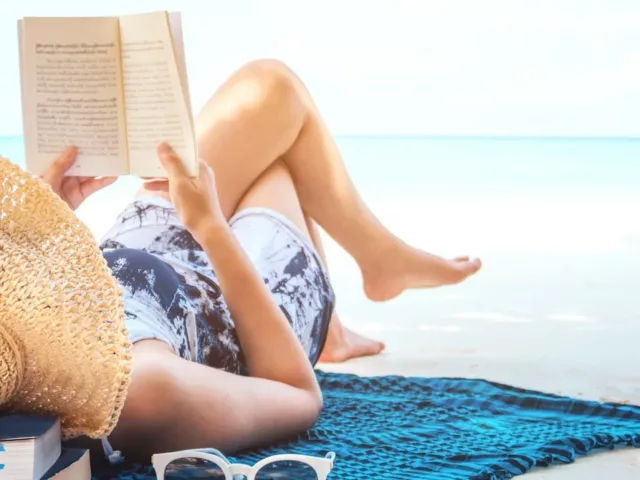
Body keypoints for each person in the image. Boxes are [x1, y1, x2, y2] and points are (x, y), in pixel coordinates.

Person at [41, 59, 481, 458]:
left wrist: (45, 227)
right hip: (250, 309)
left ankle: (373, 273)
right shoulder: (142, 388)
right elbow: (298, 396)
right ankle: (352, 302)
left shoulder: (28, 322)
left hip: (146, 246)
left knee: (272, 93)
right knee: (277, 156)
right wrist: (211, 228)